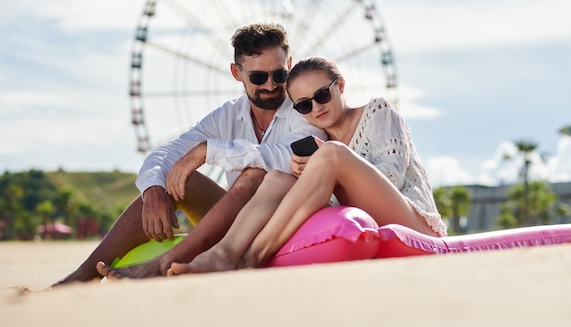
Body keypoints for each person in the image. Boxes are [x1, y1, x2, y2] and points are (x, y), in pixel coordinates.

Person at [54, 23, 326, 284]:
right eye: (258, 77)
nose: (271, 85)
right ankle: (82, 275)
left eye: (279, 74)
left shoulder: (304, 105)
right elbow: (169, 152)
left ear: (289, 65)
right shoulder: (227, 115)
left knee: (255, 175)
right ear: (236, 72)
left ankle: (163, 263)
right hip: (237, 221)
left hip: (287, 219)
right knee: (178, 180)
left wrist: (210, 151)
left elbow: (293, 155)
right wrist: (153, 188)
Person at [165, 56, 447, 276]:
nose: (316, 108)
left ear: (340, 86)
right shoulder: (320, 142)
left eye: (322, 95)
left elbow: (392, 176)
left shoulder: (377, 112)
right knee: (277, 178)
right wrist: (317, 174)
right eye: (303, 106)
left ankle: (250, 259)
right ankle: (224, 254)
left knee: (332, 155)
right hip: (369, 216)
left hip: (414, 224)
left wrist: (333, 167)